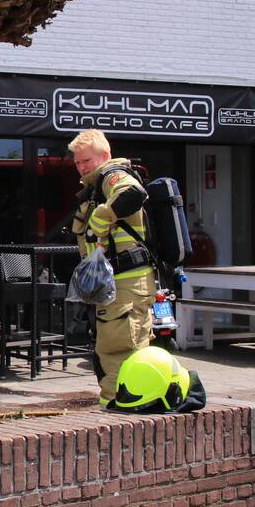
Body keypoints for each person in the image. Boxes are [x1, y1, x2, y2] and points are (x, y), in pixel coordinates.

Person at [69, 129, 155, 407]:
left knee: (116, 350)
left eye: (86, 161)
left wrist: (99, 219)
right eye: (78, 162)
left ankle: (118, 410)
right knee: (116, 347)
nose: (81, 167)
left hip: (126, 283)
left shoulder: (112, 175)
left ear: (104, 156)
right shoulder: (96, 185)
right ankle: (126, 405)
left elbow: (133, 193)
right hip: (117, 284)